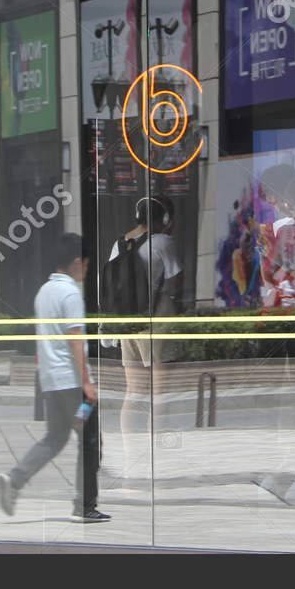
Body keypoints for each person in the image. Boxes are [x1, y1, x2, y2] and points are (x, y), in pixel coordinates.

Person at [0, 232, 108, 523]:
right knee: (91, 441)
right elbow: (75, 340)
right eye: (86, 265)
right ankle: (84, 505)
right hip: (71, 383)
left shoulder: (44, 292)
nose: (86, 270)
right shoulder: (70, 294)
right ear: (77, 262)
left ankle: (15, 479)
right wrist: (87, 383)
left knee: (56, 438)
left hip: (50, 381)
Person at [105, 196, 182, 476]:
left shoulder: (119, 244)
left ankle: (131, 457)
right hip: (156, 324)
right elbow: (176, 284)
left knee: (134, 393)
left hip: (129, 325)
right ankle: (157, 460)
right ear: (165, 219)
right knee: (159, 395)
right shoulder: (163, 243)